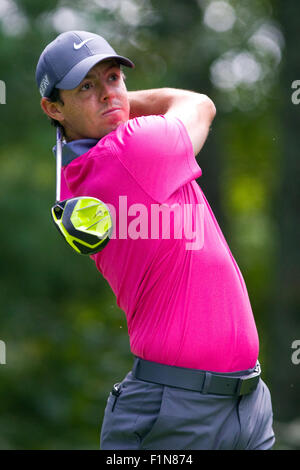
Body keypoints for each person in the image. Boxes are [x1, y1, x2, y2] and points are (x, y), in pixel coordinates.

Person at [35, 30, 275, 450]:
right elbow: (201, 104)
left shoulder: (86, 167)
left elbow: (97, 117)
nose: (109, 94)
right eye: (87, 86)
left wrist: (94, 105)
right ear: (52, 106)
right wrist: (124, 102)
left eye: (113, 78)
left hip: (245, 404)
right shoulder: (133, 150)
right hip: (177, 414)